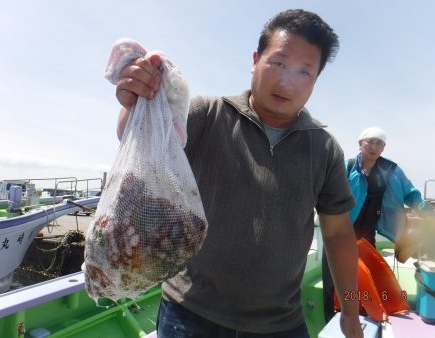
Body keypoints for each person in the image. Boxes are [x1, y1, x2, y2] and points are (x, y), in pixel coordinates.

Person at [115, 9, 363, 338]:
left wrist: (350, 311)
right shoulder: (206, 114)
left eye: (305, 72)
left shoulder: (325, 148)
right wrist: (135, 101)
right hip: (188, 313)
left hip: (280, 324)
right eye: (279, 63)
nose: (288, 81)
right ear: (256, 59)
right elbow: (139, 138)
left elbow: (337, 235)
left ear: (316, 80)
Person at [322, 126, 433, 322]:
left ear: (383, 148)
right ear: (360, 144)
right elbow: (326, 193)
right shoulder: (346, 167)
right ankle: (333, 322)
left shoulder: (391, 170)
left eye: (379, 143)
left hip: (367, 235)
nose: (374, 147)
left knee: (368, 281)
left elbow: (412, 195)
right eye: (370, 142)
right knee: (334, 284)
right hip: (339, 235)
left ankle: (365, 319)